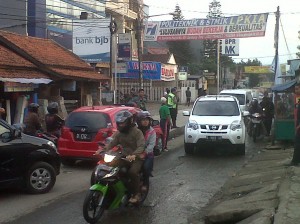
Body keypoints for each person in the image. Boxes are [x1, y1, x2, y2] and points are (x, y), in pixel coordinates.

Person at [96, 111, 145, 203]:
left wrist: (134, 154)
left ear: (129, 122)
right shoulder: (119, 133)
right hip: (123, 156)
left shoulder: (137, 132)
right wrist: (103, 149)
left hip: (136, 158)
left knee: (132, 172)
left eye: (123, 123)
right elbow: (112, 142)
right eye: (120, 123)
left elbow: (141, 146)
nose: (121, 125)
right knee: (110, 167)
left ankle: (136, 194)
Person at [136, 111, 156, 191]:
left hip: (147, 154)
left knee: (145, 167)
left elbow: (151, 145)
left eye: (147, 120)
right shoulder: (135, 130)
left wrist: (144, 153)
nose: (145, 121)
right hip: (135, 152)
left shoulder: (152, 131)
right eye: (143, 120)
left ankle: (145, 183)